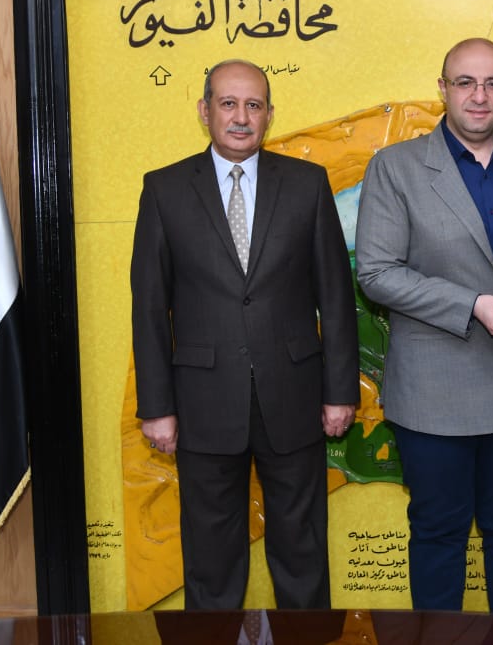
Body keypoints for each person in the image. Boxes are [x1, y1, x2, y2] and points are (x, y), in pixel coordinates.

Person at [354, 37, 493, 615]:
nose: (480, 96)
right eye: (466, 83)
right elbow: (376, 273)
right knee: (438, 535)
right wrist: (471, 303)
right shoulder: (396, 168)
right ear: (443, 89)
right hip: (434, 394)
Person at [130, 58, 360, 610]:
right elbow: (150, 307)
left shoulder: (307, 185)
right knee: (211, 562)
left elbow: (335, 296)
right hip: (202, 404)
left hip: (295, 397)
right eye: (228, 104)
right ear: (204, 110)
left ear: (269, 115)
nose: (240, 117)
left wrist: (340, 392)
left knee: (302, 553)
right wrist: (157, 407)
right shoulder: (164, 189)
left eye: (253, 105)